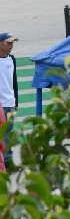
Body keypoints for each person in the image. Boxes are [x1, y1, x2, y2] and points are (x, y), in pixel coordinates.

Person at [0, 33, 17, 167]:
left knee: (8, 134)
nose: (11, 46)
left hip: (10, 104)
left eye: (12, 43)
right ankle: (6, 161)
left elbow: (14, 82)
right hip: (0, 105)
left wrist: (16, 102)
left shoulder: (12, 59)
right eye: (8, 43)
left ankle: (7, 161)